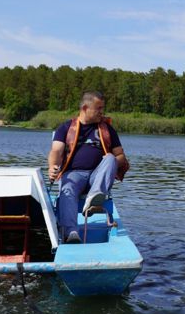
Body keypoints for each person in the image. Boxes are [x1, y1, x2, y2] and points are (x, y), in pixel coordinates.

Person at [48, 91, 129, 243]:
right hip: (73, 175)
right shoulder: (65, 128)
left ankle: (94, 198)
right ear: (85, 108)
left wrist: (112, 162)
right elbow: (56, 151)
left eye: (102, 108)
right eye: (98, 108)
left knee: (111, 158)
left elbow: (121, 156)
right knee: (67, 188)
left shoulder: (107, 129)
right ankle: (71, 232)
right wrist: (52, 166)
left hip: (97, 177)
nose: (102, 112)